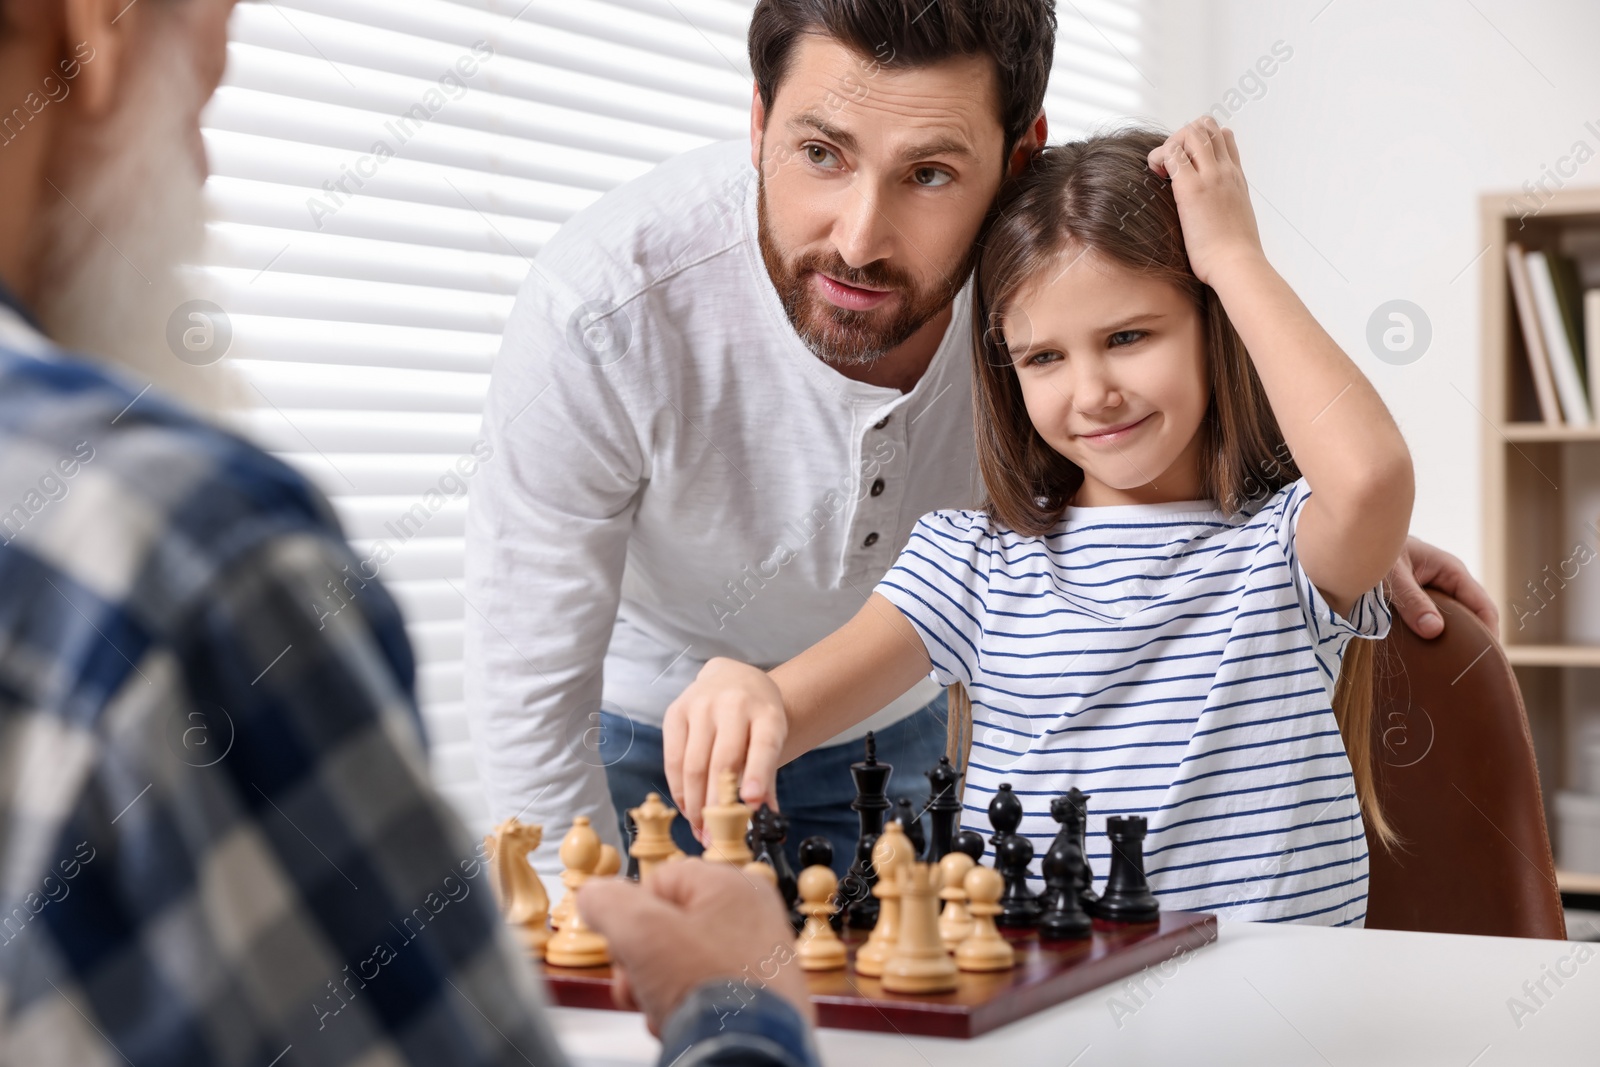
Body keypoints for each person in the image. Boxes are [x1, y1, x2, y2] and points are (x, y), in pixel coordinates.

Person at [465, 0, 1496, 877]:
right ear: (757, 120)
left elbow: (1267, 470)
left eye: (928, 175)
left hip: (904, 731)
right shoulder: (600, 307)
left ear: (1017, 157)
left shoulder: (1050, 280)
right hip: (665, 730)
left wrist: (1284, 514)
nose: (861, 238)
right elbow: (533, 686)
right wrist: (579, 907)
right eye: (820, 153)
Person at [0, 1, 818, 1064]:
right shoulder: (187, 551)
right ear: (93, 36)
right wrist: (738, 1004)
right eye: (200, 93)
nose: (200, 167)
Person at [664, 122, 1419, 927]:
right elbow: (786, 706)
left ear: (1216, 323)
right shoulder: (971, 562)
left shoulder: (1284, 548)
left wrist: (1234, 260)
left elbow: (1371, 477)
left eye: (1128, 337)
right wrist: (744, 688)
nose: (1092, 391)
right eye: (1043, 358)